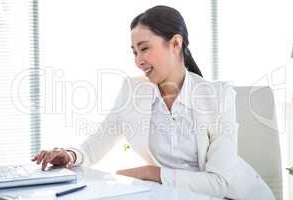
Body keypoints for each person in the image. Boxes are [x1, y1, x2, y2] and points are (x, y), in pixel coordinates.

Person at [32, 5, 274, 199]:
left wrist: (151, 173)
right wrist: (69, 155)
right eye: (134, 52)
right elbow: (98, 142)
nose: (138, 60)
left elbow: (219, 183)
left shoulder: (219, 96)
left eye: (144, 48)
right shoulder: (132, 90)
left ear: (176, 44)